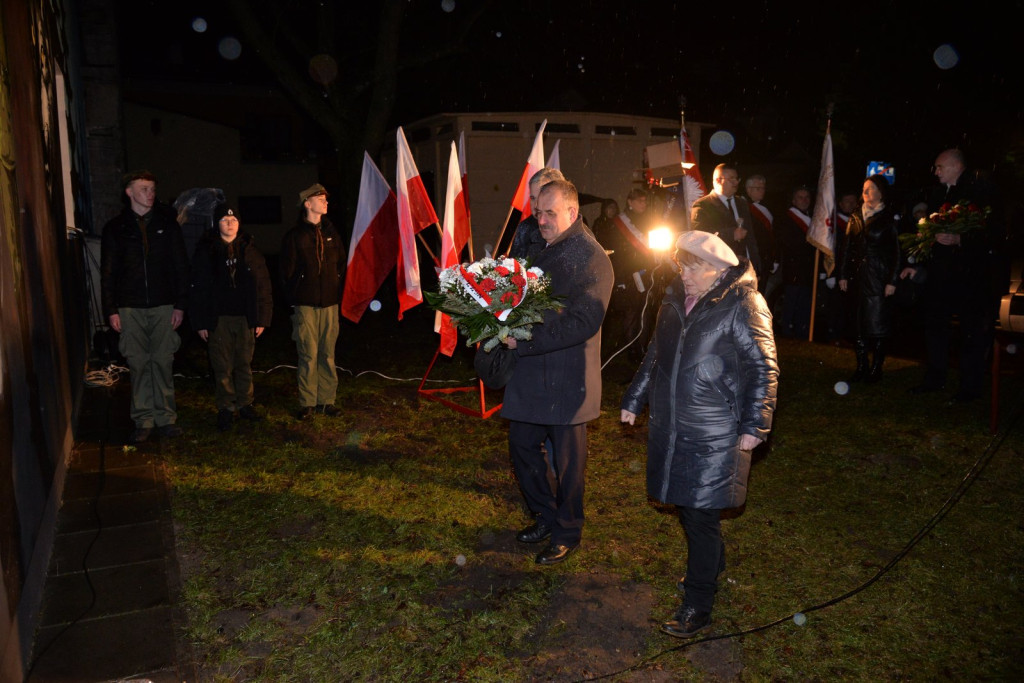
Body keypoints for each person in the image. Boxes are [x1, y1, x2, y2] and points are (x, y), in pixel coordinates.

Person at [620, 230, 778, 638]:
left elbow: (764, 367)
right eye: (682, 266)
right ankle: (711, 568)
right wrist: (634, 398)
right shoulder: (675, 300)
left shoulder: (744, 304)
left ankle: (698, 603)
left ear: (718, 270)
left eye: (695, 268)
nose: (685, 275)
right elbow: (656, 353)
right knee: (689, 510)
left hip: (717, 431)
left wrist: (755, 424)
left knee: (701, 516)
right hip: (675, 425)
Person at [502, 179, 613, 566]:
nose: (542, 220)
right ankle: (545, 516)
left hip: (568, 380)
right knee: (522, 448)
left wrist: (525, 341)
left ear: (572, 212)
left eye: (551, 213)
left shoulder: (591, 257)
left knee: (569, 466)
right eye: (539, 212)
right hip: (532, 376)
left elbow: (584, 321)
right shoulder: (537, 247)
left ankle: (567, 530)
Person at [100, 170, 189, 444]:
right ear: (129, 192)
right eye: (144, 188)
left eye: (152, 188)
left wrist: (180, 304)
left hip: (164, 305)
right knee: (138, 363)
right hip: (130, 307)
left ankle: (165, 418)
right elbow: (108, 272)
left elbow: (180, 267)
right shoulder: (116, 228)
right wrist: (112, 309)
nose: (150, 194)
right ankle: (143, 419)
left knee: (162, 361)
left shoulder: (167, 225)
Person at [907, 149, 1001, 403]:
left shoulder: (980, 191)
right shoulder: (938, 193)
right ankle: (935, 378)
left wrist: (960, 239)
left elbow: (992, 233)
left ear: (956, 166)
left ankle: (970, 388)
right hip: (941, 275)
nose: (936, 172)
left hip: (970, 276)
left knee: (971, 332)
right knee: (935, 326)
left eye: (939, 167)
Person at [189, 204, 273, 431]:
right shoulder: (207, 250)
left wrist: (262, 317)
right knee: (222, 365)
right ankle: (226, 407)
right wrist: (200, 322)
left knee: (244, 363)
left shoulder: (250, 249)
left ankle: (245, 404)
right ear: (217, 224)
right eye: (225, 220)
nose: (229, 223)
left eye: (233, 219)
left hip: (245, 316)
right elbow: (197, 289)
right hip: (218, 318)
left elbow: (263, 285)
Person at [280, 183, 347, 418]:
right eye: (320, 198)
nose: (325, 202)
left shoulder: (332, 233)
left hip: (329, 303)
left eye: (326, 199)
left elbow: (341, 264)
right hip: (305, 304)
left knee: (327, 353)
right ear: (307, 204)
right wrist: (294, 298)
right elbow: (287, 272)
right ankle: (307, 403)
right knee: (308, 353)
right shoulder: (295, 236)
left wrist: (334, 288)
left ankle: (327, 401)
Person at [838, 176, 901, 382]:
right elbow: (847, 247)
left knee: (878, 324)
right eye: (864, 188)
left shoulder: (889, 218)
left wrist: (892, 280)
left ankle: (876, 368)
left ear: (881, 192)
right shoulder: (855, 216)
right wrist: (843, 274)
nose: (866, 192)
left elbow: (897, 252)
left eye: (871, 189)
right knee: (858, 324)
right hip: (858, 277)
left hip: (878, 277)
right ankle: (862, 366)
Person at [604, 188, 656, 359]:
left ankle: (643, 345)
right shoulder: (619, 223)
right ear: (630, 202)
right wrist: (622, 275)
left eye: (645, 201)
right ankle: (630, 347)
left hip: (647, 271)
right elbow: (617, 252)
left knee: (646, 309)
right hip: (629, 273)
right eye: (640, 201)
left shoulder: (648, 220)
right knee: (632, 311)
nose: (644, 204)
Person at [691, 163, 762, 279]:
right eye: (732, 179)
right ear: (718, 180)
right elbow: (701, 236)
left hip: (745, 269)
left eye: (737, 179)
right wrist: (730, 234)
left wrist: (756, 266)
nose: (736, 183)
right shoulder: (703, 205)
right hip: (720, 269)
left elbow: (751, 238)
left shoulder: (742, 203)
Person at [775, 186, 817, 337]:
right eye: (800, 197)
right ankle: (787, 334)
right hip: (794, 268)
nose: (804, 200)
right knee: (791, 303)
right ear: (793, 200)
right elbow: (787, 242)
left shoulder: (812, 217)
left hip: (809, 270)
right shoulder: (787, 218)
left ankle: (802, 333)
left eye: (807, 197)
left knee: (805, 305)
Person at [508, 167, 566, 260]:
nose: (536, 205)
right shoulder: (525, 228)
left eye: (540, 197)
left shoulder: (575, 231)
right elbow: (514, 268)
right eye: (532, 198)